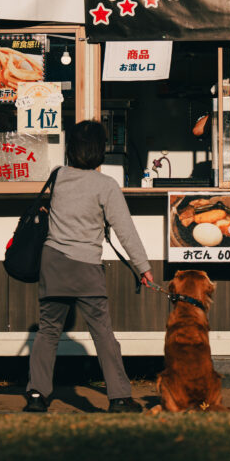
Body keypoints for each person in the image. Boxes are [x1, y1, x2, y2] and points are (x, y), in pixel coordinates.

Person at [24, 120, 155, 413]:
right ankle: (119, 398)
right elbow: (125, 231)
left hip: (53, 262)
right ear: (100, 151)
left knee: (48, 331)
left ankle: (36, 395)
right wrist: (143, 267)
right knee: (102, 332)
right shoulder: (106, 185)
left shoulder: (58, 176)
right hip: (86, 266)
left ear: (71, 149)